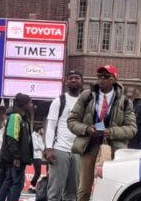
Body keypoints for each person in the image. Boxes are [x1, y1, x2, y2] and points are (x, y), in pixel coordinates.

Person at [67, 65, 136, 201]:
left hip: (113, 150)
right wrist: (86, 129)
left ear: (114, 79)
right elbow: (72, 121)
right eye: (99, 76)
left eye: (106, 76)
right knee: (84, 189)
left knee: (111, 188)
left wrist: (112, 132)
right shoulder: (87, 96)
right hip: (89, 145)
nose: (102, 79)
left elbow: (132, 129)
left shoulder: (125, 101)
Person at [43, 71, 84, 201]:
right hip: (60, 150)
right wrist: (49, 148)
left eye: (76, 78)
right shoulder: (59, 101)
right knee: (55, 192)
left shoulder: (86, 101)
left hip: (78, 150)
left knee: (72, 192)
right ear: (66, 82)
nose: (73, 80)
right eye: (70, 78)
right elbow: (50, 126)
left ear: (81, 81)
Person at [0, 94, 34, 201]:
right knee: (14, 183)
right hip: (15, 159)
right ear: (24, 104)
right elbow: (12, 138)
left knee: (11, 182)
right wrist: (16, 156)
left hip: (19, 158)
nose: (32, 105)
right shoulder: (15, 117)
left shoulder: (22, 118)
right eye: (30, 102)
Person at [28, 126, 45, 193]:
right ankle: (31, 186)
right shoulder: (33, 135)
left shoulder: (40, 137)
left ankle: (32, 187)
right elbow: (35, 146)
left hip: (39, 156)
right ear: (39, 129)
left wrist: (40, 147)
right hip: (35, 156)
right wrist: (41, 147)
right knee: (38, 172)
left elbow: (43, 147)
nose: (43, 131)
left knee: (38, 172)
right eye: (42, 129)